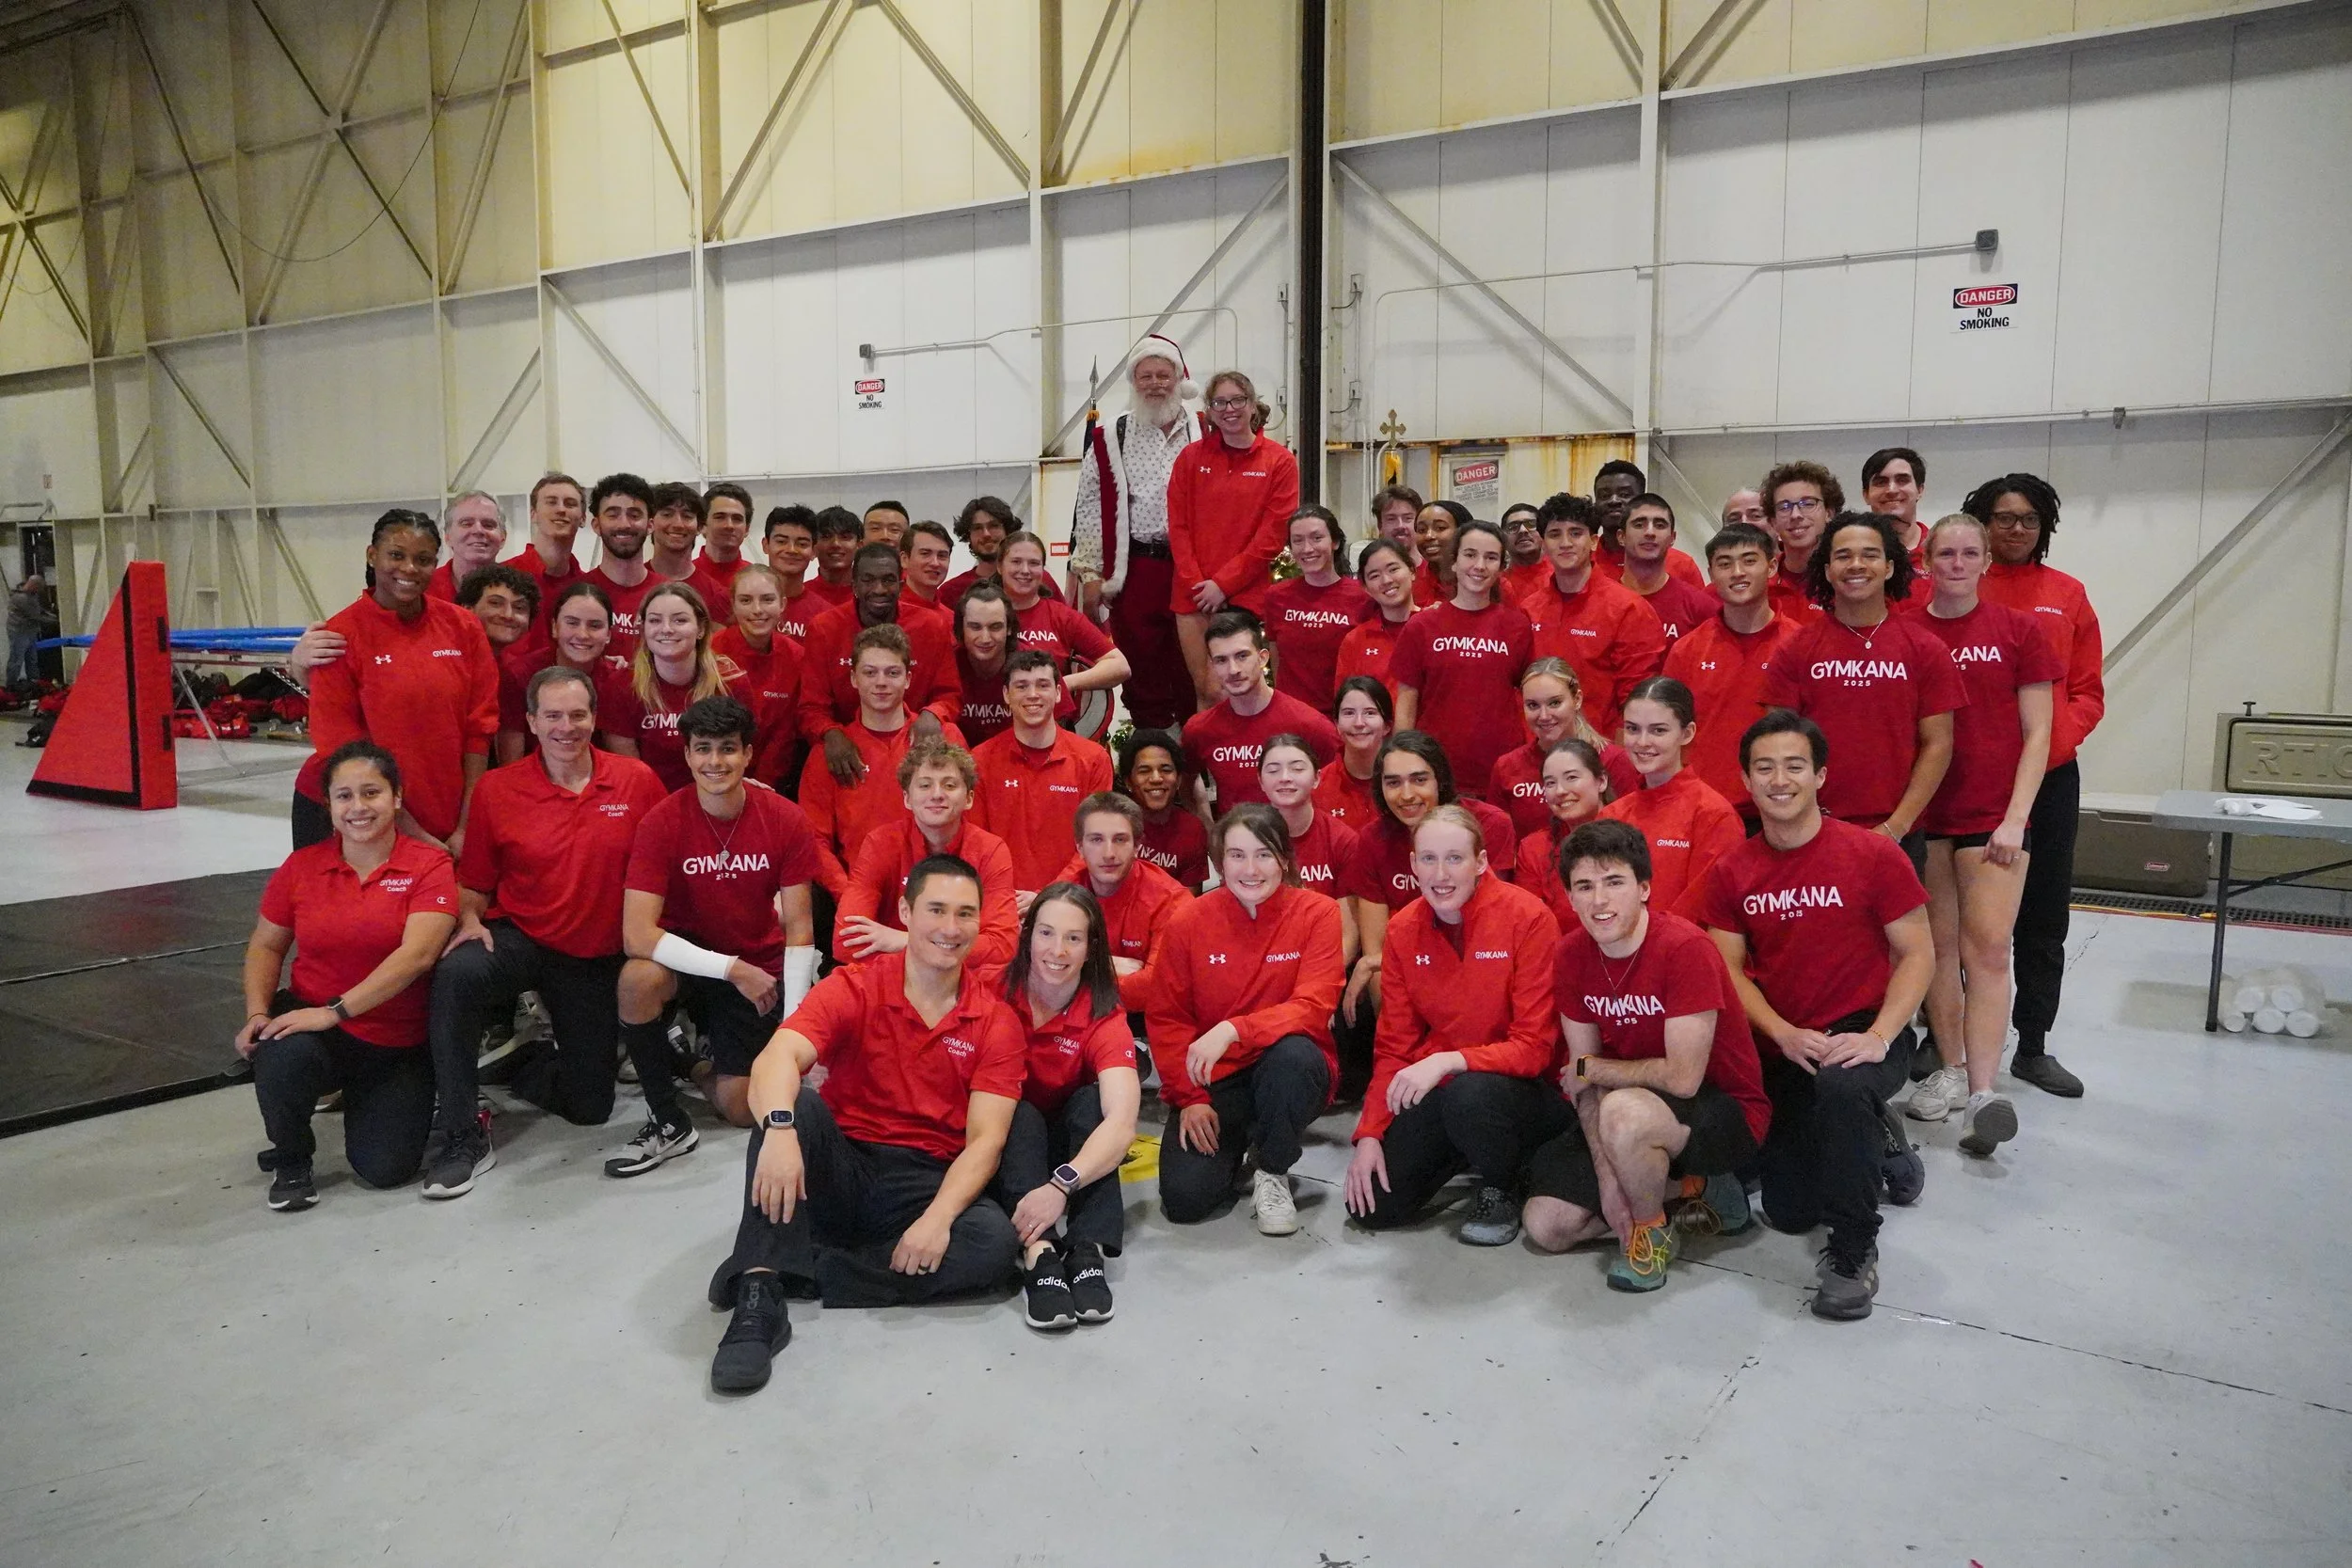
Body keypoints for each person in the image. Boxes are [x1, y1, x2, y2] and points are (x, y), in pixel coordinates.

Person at [707, 854, 1025, 1393]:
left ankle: (794, 1266)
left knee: (993, 1244)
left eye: (965, 914)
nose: (950, 929)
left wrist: (938, 1219)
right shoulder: (855, 986)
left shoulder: (995, 1021)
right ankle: (759, 1302)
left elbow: (986, 1142)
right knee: (795, 1106)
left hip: (923, 1180)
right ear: (904, 912)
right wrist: (781, 1129)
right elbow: (776, 1058)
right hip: (844, 1164)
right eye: (936, 910)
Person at [1692, 710, 1933, 1321]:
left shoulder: (1871, 855)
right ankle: (1877, 1143)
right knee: (1791, 1208)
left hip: (1864, 1029)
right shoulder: (1732, 872)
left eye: (1795, 765)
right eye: (1765, 767)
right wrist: (1780, 1031)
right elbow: (1729, 972)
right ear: (1746, 779)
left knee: (1843, 1085)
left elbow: (1918, 953)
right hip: (1788, 1043)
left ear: (1821, 774)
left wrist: (1881, 1034)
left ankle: (1853, 1254)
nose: (1780, 779)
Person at [426, 667, 669, 1197]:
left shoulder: (635, 781)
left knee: (590, 1109)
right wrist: (467, 917)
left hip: (595, 955)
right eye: (552, 716)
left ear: (594, 718)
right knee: (458, 970)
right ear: (532, 722)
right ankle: (462, 1131)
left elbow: (665, 869)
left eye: (578, 714)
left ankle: (522, 1060)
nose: (567, 727)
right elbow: (476, 884)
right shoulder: (497, 789)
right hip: (524, 936)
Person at [1523, 820, 1772, 1291]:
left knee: (1623, 1114)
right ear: (1570, 898)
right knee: (1548, 1227)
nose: (1599, 901)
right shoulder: (1572, 955)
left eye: (1614, 882)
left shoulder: (1685, 948)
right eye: (1584, 886)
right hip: (1628, 1106)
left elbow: (1682, 1080)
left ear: (1643, 888)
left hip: (1724, 1111)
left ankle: (1651, 1229)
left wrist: (1593, 1070)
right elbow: (1580, 1077)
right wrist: (1607, 1180)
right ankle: (1697, 1190)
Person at [237, 742, 457, 1210]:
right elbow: (266, 943)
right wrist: (257, 1011)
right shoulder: (302, 867)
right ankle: (292, 1159)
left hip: (394, 1042)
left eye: (371, 793)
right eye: (344, 796)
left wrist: (335, 1012)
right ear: (329, 806)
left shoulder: (429, 865)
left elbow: (417, 956)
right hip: (315, 1026)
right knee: (281, 1050)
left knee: (386, 1171)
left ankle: (390, 1105)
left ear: (397, 798)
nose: (358, 807)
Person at [612, 696, 822, 1174]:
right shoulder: (661, 821)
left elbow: (801, 927)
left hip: (757, 966)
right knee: (636, 979)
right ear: (686, 755)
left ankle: (690, 1063)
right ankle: (667, 1120)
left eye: (728, 749)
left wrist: (793, 1027)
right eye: (702, 749)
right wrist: (730, 968)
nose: (715, 762)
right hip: (688, 962)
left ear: (749, 754)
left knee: (745, 1108)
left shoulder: (785, 818)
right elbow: (637, 935)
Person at [1906, 514, 2060, 1153]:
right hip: (1925, 815)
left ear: (1986, 562)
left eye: (1971, 552)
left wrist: (2016, 816)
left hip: (1993, 817)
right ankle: (1949, 1067)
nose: (1959, 562)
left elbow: (2040, 733)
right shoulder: (1906, 630)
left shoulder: (2019, 631)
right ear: (1927, 561)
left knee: (1990, 948)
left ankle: (1983, 1090)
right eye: (1947, 552)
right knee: (1937, 949)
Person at [1343, 806, 1563, 1244]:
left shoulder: (1529, 918)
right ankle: (1468, 1150)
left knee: (1471, 1092)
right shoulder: (1404, 929)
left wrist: (1450, 1060)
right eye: (1428, 859)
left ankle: (1502, 1182)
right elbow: (1394, 1048)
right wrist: (1368, 1134)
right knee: (1374, 1208)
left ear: (1481, 862)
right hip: (1447, 1089)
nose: (1440, 874)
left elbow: (1535, 1047)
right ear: (1413, 865)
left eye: (1455, 859)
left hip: (1524, 1093)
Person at [1148, 805, 1345, 1235]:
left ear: (1285, 860)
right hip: (1215, 1077)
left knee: (1293, 1056)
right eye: (1237, 856)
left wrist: (1234, 1028)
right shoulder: (1188, 922)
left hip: (1287, 1069)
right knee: (1186, 1201)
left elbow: (1314, 1005)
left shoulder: (1319, 913)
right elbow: (1167, 1018)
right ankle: (1245, 1144)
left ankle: (1273, 1168)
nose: (1251, 869)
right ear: (1219, 864)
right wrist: (1190, 1098)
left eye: (1264, 854)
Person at [1972, 471, 2101, 1099]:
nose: (2016, 528)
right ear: (1983, 523)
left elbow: (2085, 692)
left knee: (2042, 915)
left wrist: (2046, 747)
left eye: (2027, 518)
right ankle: (1960, 1045)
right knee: (1972, 920)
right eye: (2003, 517)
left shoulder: (2067, 593)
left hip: (2049, 777)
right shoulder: (1962, 588)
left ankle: (2033, 1045)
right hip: (1972, 779)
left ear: (2043, 526)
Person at [1761, 511, 1964, 863]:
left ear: (1888, 567)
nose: (1856, 564)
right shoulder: (1796, 648)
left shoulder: (1925, 648)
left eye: (1870, 555)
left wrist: (1895, 828)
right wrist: (1802, 820)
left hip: (1898, 835)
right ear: (1826, 570)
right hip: (1810, 830)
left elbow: (1938, 744)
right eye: (1843, 556)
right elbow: (1776, 745)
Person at [298, 509, 500, 853]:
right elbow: (341, 751)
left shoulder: (463, 627)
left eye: (422, 560)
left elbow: (478, 732)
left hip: (452, 821)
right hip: (371, 824)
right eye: (396, 555)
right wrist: (413, 834)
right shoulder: (339, 636)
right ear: (372, 555)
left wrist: (467, 825)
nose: (409, 568)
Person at [993, 884, 1143, 1330]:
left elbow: (1122, 1123)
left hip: (1074, 1155)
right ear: (1027, 935)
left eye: (1073, 938)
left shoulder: (1103, 1014)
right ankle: (1038, 1252)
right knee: (1016, 1108)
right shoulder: (992, 991)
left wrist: (1060, 1187)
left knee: (1090, 1105)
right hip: (1008, 1139)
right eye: (1046, 933)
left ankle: (1086, 1249)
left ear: (1091, 947)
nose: (1057, 950)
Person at [1340, 732, 1519, 1040]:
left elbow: (1489, 935)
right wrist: (1395, 1044)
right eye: (1393, 783)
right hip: (1407, 982)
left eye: (1419, 779)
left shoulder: (1488, 824)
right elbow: (1376, 952)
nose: (1406, 795)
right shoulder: (1372, 841)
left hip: (1479, 974)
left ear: (1441, 780)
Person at [1071, 339, 1205, 729]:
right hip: (1135, 571)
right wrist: (1092, 574)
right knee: (1142, 672)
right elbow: (1091, 506)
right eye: (1145, 376)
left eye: (1164, 374)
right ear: (1133, 382)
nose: (1155, 383)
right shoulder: (1112, 435)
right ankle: (1152, 766)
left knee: (1192, 668)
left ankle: (1195, 771)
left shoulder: (1206, 430)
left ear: (1180, 378)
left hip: (1192, 571)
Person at [798, 626, 970, 899]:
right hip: (860, 892)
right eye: (870, 672)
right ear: (853, 678)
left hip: (937, 892)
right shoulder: (828, 753)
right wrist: (848, 893)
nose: (881, 682)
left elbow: (970, 822)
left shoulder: (944, 737)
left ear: (908, 679)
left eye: (892, 673)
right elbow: (813, 839)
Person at [834, 739, 1018, 982]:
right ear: (907, 799)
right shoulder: (880, 844)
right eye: (924, 785)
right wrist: (944, 953)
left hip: (963, 985)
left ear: (969, 798)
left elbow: (1002, 947)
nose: (937, 795)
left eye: (950, 785)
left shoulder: (990, 850)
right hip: (889, 980)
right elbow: (846, 942)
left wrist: (904, 940)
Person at [1168, 369, 1298, 705]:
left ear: (1253, 406)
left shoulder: (1279, 461)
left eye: (1238, 400)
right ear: (1209, 411)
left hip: (1246, 593)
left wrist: (1223, 586)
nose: (1229, 409)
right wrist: (1199, 586)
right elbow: (1178, 527)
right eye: (1220, 402)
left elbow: (1272, 536)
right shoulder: (1191, 459)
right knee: (1206, 692)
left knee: (1234, 690)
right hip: (1193, 595)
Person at [1665, 521, 1802, 818]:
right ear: (1712, 575)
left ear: (1771, 567)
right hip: (1701, 810)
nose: (1737, 572)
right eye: (1725, 564)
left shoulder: (1800, 646)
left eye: (1749, 561)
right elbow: (1668, 733)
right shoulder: (1687, 650)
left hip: (1778, 809)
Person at [1391, 520, 1534, 799]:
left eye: (1490, 557)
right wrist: (1404, 762)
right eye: (1470, 555)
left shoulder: (1517, 626)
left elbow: (1529, 697)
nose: (1480, 565)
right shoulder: (1422, 626)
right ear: (1454, 562)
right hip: (1436, 771)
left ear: (1501, 566)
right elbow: (1407, 702)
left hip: (1500, 771)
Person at [797, 543, 961, 783]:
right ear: (853, 585)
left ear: (901, 583)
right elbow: (811, 706)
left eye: (888, 580)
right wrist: (829, 734)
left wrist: (934, 714)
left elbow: (949, 694)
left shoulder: (931, 626)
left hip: (914, 746)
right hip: (849, 749)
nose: (879, 589)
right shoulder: (824, 628)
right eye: (868, 580)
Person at [970, 651, 1116, 898]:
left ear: (1059, 693)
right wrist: (1006, 897)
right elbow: (976, 844)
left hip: (1071, 902)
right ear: (1006, 694)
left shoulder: (1093, 759)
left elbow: (1096, 841)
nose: (1033, 694)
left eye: (1043, 685)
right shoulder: (979, 760)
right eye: (1022, 686)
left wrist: (1047, 895)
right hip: (1002, 904)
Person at [1520, 492, 1665, 738]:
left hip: (1600, 753)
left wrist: (1616, 760)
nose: (1565, 543)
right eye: (1555, 534)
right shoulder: (1527, 610)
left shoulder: (1628, 609)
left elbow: (1637, 700)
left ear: (1594, 542)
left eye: (1576, 533)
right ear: (1543, 544)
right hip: (1538, 751)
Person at [1601, 676, 1744, 914]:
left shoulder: (1714, 815)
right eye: (1632, 729)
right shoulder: (1611, 815)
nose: (1643, 742)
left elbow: (1706, 910)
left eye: (1658, 730)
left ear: (1687, 733)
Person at [596, 581, 749, 792]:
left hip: (716, 795)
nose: (666, 629)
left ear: (701, 629)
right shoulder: (622, 686)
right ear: (643, 628)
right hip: (648, 798)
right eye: (655, 620)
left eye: (680, 620)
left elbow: (738, 758)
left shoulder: (730, 683)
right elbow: (629, 773)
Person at [1180, 610, 1340, 811]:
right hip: (1233, 840)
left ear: (1263, 657)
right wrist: (1207, 828)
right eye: (1221, 660)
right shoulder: (1199, 730)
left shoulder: (1309, 724)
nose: (1233, 670)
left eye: (1242, 656)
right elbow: (1185, 783)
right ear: (1212, 665)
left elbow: (1341, 785)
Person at [1057, 790, 1189, 1009]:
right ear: (1079, 847)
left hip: (1147, 1022)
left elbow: (1157, 989)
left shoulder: (1171, 901)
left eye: (1120, 839)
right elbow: (1035, 967)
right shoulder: (1065, 889)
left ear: (1138, 846)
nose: (1109, 853)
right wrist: (1107, 964)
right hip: (1077, 1011)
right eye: (1096, 840)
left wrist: (1072, 971)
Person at [1487, 659, 1637, 840]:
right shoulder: (1507, 767)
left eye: (1555, 703)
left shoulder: (1613, 760)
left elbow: (1630, 835)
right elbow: (1499, 842)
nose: (1544, 716)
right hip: (1533, 866)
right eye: (1533, 705)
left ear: (1577, 699)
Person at [997, 530, 1129, 725]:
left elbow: (1119, 666)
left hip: (1052, 726)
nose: (1025, 570)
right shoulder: (983, 613)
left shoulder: (1062, 616)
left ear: (1043, 569)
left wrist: (1062, 683)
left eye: (1034, 563)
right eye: (1016, 562)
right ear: (999, 566)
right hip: (994, 724)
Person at [494, 580, 624, 765]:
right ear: (555, 627)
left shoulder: (617, 679)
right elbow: (510, 764)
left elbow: (625, 766)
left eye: (595, 626)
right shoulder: (519, 676)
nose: (583, 634)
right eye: (572, 623)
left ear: (609, 634)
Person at [1263, 505, 1374, 708]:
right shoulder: (1276, 596)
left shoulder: (1363, 596)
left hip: (1341, 717)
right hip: (1291, 714)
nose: (1307, 548)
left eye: (1316, 538)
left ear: (1335, 542)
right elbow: (1277, 659)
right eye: (1298, 540)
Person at [711, 564, 803, 788]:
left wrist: (763, 784)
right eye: (745, 601)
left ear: (782, 604)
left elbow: (785, 733)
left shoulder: (796, 656)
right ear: (733, 604)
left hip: (773, 779)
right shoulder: (712, 652)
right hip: (717, 771)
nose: (757, 610)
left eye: (767, 600)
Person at [1512, 738, 1612, 932]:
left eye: (1572, 777)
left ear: (1601, 781)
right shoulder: (1534, 848)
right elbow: (1531, 925)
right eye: (1550, 783)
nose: (1560, 791)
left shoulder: (1631, 839)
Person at [1260, 732, 1361, 908]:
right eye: (1273, 770)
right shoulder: (1245, 839)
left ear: (1316, 778)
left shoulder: (1342, 841)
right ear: (1261, 781)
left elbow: (1348, 931)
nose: (1285, 778)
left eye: (1297, 769)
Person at [1613, 495, 1719, 642]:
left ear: (1672, 538)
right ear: (1621, 537)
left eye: (1660, 525)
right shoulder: (1601, 603)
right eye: (1639, 524)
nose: (1650, 532)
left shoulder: (1701, 607)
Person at [1117, 727, 1209, 890]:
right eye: (1144, 771)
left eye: (1166, 770)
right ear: (1128, 782)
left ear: (1179, 780)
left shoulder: (1192, 830)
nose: (1156, 778)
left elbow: (1189, 905)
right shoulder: (1112, 823)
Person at [1332, 536, 1419, 699]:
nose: (1386, 580)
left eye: (1393, 569)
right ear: (1365, 588)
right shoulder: (1355, 640)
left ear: (1412, 571)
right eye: (1374, 576)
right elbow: (1346, 705)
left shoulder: (1435, 629)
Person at [585, 472, 660, 659]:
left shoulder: (669, 594)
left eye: (634, 515)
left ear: (650, 525)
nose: (624, 524)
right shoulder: (576, 593)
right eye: (613, 515)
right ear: (596, 525)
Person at [504, 472, 589, 629]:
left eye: (570, 504)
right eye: (551, 502)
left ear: (583, 518)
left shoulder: (588, 586)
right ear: (533, 514)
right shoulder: (502, 579)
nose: (561, 509)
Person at [946, 496, 1060, 607]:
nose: (986, 534)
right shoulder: (952, 591)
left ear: (1007, 530)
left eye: (994, 526)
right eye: (977, 528)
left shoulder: (1037, 579)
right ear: (968, 535)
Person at [1760, 460, 1838, 624]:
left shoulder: (1846, 579)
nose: (1795, 515)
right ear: (1773, 522)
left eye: (1808, 504)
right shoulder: (1759, 583)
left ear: (1829, 513)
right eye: (1784, 507)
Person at [1314, 674, 1391, 830]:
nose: (1359, 723)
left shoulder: (1405, 781)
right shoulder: (1317, 787)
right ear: (1337, 724)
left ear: (1387, 726)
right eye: (1349, 713)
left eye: (1370, 713)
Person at [950, 581, 1017, 746]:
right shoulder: (947, 664)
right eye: (975, 627)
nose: (985, 638)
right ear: (961, 628)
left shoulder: (1032, 665)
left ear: (1009, 628)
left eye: (995, 627)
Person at [760, 504, 828, 641]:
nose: (791, 549)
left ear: (814, 551)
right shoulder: (745, 604)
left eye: (802, 544)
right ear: (765, 545)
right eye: (781, 541)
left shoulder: (825, 615)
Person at [424, 492, 508, 601]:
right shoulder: (423, 589)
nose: (478, 530)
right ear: (447, 536)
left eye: (488, 525)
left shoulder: (519, 592)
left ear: (503, 538)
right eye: (466, 524)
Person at [691, 483, 757, 614]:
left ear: (747, 529)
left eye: (737, 519)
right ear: (703, 525)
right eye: (720, 517)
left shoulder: (758, 580)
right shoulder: (684, 578)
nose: (729, 525)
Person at [1861, 447, 1930, 571]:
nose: (1891, 490)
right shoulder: (1850, 556)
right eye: (1881, 482)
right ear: (1866, 495)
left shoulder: (1941, 551)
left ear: (1920, 490)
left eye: (1902, 480)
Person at [454, 563, 538, 656]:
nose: (508, 615)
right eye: (495, 603)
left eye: (519, 607)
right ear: (468, 608)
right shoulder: (448, 659)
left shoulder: (518, 667)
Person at [645, 481, 706, 585]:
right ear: (650, 522)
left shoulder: (717, 595)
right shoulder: (629, 585)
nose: (678, 524)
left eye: (687, 516)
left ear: (699, 527)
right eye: (667, 514)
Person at [805, 505, 862, 609]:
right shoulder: (800, 594)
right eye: (826, 536)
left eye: (845, 537)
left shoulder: (870, 595)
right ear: (813, 545)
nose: (836, 544)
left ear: (859, 546)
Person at [1409, 499, 1463, 607]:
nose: (1429, 536)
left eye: (1440, 528)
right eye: (1421, 530)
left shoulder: (1483, 580)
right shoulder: (1409, 584)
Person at [5, 569, 53, 688]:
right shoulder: (21, 598)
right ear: (33, 585)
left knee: (32, 659)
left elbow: (37, 609)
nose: (39, 591)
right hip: (19, 632)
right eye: (39, 588)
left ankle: (34, 683)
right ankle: (10, 686)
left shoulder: (31, 595)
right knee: (17, 660)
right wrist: (54, 621)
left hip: (30, 631)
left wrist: (48, 613)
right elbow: (35, 616)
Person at [898, 519, 955, 612]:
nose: (935, 563)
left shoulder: (952, 620)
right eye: (925, 554)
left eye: (942, 556)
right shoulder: (886, 613)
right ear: (904, 559)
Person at [1500, 500, 1548, 600]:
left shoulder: (1563, 575)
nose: (1523, 530)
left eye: (1531, 524)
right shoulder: (1496, 586)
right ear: (1503, 538)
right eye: (1513, 527)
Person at [1372, 483, 1422, 562]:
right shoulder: (1371, 571)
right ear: (1380, 525)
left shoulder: (1436, 570)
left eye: (1407, 518)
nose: (1400, 526)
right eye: (1391, 519)